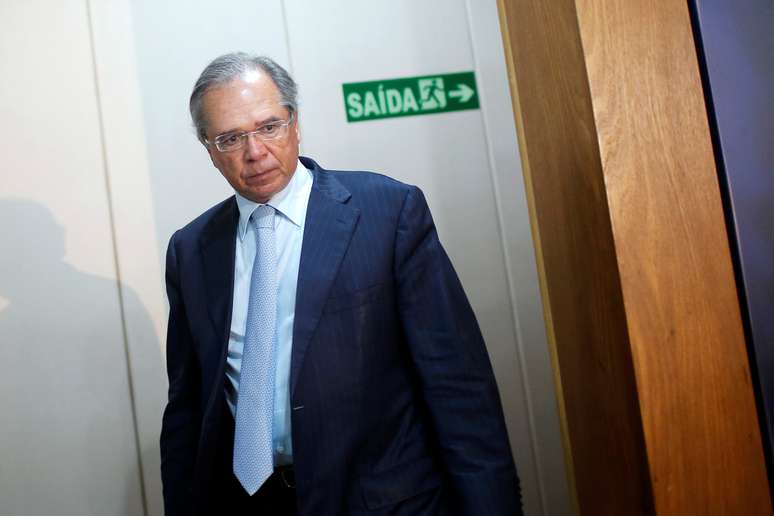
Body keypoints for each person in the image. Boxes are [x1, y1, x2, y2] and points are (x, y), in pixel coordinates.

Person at [160, 52, 521, 516]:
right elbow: (187, 410)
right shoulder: (191, 251)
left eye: (269, 126)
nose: (255, 151)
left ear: (294, 123)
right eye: (231, 138)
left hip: (383, 502)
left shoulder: (387, 213)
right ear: (209, 149)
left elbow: (457, 386)